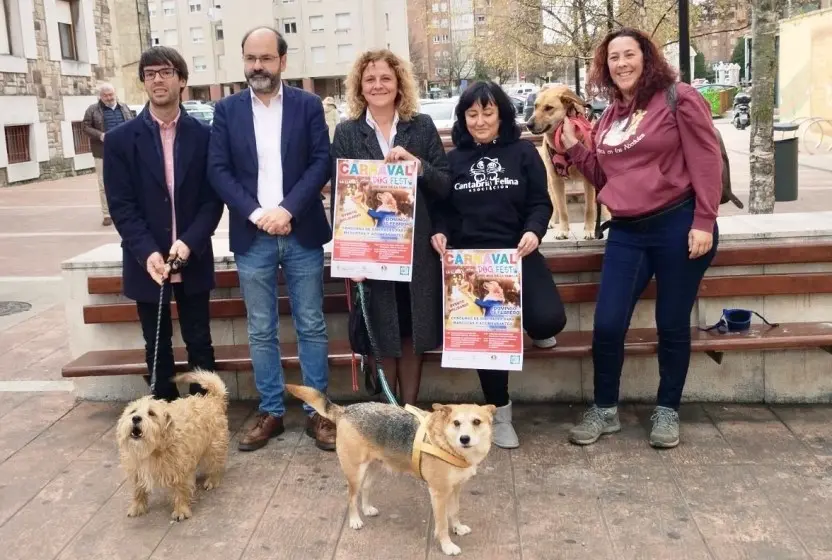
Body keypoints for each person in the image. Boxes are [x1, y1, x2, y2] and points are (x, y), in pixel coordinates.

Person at [563, 28, 722, 449]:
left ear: (646, 57)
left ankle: (667, 410)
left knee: (671, 323)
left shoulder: (678, 97)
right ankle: (605, 409)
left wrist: (704, 220)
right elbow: (605, 178)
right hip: (628, 232)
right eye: (613, 58)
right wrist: (576, 149)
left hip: (678, 224)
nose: (621, 63)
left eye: (628, 54)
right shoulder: (611, 116)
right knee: (608, 323)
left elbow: (706, 161)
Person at [208, 27, 334, 452]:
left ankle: (317, 412)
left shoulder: (308, 106)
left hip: (302, 231)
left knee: (311, 325)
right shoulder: (225, 110)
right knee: (261, 328)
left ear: (283, 60)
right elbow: (218, 170)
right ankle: (271, 412)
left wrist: (287, 210)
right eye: (250, 58)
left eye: (265, 58)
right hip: (252, 233)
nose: (257, 66)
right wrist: (260, 213)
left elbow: (321, 162)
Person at [430, 81, 567, 448]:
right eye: (471, 114)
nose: (479, 121)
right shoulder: (453, 159)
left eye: (487, 112)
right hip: (473, 263)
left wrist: (534, 231)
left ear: (502, 114)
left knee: (549, 320)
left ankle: (530, 324)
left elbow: (541, 202)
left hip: (517, 252)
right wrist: (440, 233)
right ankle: (500, 412)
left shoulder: (523, 152)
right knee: (488, 337)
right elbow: (441, 210)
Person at [330, 49, 451, 406]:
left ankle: (409, 411)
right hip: (371, 253)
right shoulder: (348, 132)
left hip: (416, 253)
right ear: (360, 87)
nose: (378, 85)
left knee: (412, 329)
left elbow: (445, 185)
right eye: (370, 79)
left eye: (386, 77)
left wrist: (417, 164)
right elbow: (340, 198)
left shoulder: (422, 126)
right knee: (381, 332)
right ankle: (388, 412)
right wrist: (351, 257)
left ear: (399, 83)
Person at [103, 46, 224, 401]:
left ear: (182, 80)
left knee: (199, 340)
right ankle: (163, 417)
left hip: (193, 253)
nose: (157, 79)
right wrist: (146, 253)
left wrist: (189, 242)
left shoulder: (204, 135)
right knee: (156, 344)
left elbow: (212, 199)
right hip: (148, 260)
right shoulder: (121, 140)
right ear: (143, 81)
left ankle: (206, 416)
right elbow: (121, 206)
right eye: (150, 73)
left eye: (166, 72)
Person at [83, 83, 134, 226]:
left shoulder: (124, 107)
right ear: (100, 96)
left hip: (124, 151)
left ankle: (127, 210)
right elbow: (85, 127)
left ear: (115, 93)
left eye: (111, 94)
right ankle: (107, 214)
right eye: (105, 95)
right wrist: (100, 135)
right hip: (102, 152)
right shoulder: (93, 110)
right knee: (104, 183)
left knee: (128, 181)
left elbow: (132, 125)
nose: (109, 97)